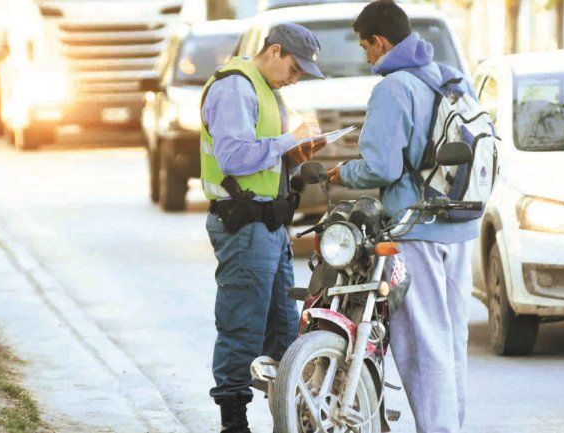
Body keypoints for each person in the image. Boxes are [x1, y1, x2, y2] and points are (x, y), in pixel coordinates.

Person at [327, 1, 479, 432]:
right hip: (459, 224)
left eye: (365, 47)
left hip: (416, 230)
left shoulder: (393, 88)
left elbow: (382, 168)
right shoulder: (451, 77)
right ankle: (451, 425)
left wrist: (343, 172)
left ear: (379, 41)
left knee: (422, 343)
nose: (366, 57)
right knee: (452, 340)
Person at [200, 22, 325, 433]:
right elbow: (233, 157)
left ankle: (287, 418)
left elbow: (263, 154)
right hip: (245, 224)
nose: (296, 78)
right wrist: (289, 140)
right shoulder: (236, 87)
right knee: (242, 326)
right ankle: (233, 422)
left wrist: (296, 154)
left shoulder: (266, 88)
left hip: (269, 226)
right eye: (295, 68)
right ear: (274, 51)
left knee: (284, 330)